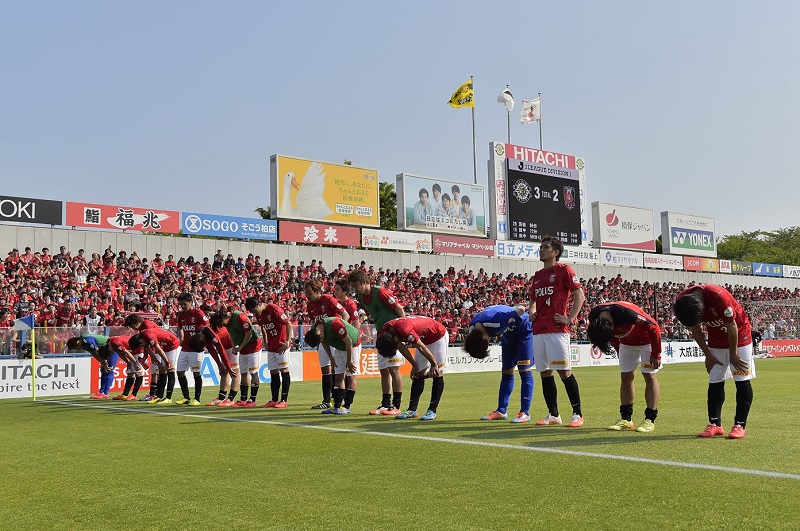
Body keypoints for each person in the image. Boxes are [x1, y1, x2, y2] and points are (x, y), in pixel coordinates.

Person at [674, 284, 755, 439]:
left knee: (741, 379)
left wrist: (734, 355)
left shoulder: (718, 296)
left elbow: (732, 326)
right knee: (715, 380)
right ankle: (715, 424)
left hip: (740, 336)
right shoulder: (683, 303)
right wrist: (708, 355)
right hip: (716, 340)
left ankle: (740, 425)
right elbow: (695, 329)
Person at [528, 235, 586, 427]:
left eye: (545, 247)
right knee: (544, 372)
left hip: (557, 330)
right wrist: (532, 312)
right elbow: (533, 300)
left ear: (556, 252)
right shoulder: (537, 275)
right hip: (538, 331)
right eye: (541, 247)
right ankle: (554, 415)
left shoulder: (564, 270)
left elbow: (579, 294)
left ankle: (577, 414)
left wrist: (570, 318)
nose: (541, 250)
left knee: (564, 371)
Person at [587, 301, 661, 433]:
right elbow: (612, 338)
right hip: (627, 345)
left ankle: (650, 420)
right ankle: (626, 420)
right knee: (626, 377)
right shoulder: (595, 317)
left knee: (649, 376)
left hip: (647, 342)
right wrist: (618, 350)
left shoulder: (627, 313)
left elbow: (654, 326)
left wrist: (656, 354)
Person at [348, 270, 405, 416]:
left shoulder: (381, 293)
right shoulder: (361, 297)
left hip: (393, 333)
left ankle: (396, 406)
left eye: (355, 286)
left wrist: (402, 330)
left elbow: (399, 309)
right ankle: (386, 404)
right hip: (381, 334)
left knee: (394, 369)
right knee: (384, 370)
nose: (354, 290)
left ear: (364, 283)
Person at [464, 305, 534, 424]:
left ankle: (525, 413)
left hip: (523, 331)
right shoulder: (473, 329)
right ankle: (501, 411)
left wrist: (526, 307)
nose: (489, 341)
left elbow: (520, 309)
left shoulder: (497, 320)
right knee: (506, 371)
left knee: (524, 370)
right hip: (508, 335)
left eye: (487, 342)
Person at [376, 316, 447, 421]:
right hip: (423, 339)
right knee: (418, 373)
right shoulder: (387, 330)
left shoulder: (405, 330)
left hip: (438, 336)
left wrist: (434, 364)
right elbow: (401, 347)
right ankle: (412, 409)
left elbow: (421, 347)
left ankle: (432, 410)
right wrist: (414, 364)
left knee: (437, 372)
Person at [304, 279, 349, 410]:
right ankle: (326, 400)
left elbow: (345, 315)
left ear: (317, 291)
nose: (307, 295)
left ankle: (340, 397)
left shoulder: (329, 299)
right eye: (306, 293)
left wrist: (340, 332)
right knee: (325, 369)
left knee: (338, 368)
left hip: (335, 339)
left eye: (309, 292)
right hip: (323, 341)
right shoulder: (310, 305)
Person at [304, 317, 361, 415]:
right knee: (338, 376)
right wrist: (331, 358)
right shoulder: (315, 329)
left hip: (353, 345)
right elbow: (324, 342)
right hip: (339, 346)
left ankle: (347, 407)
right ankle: (337, 407)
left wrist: (349, 360)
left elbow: (349, 342)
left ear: (321, 334)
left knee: (351, 376)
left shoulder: (335, 325)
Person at [245, 297, 293, 408]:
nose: (253, 313)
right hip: (271, 346)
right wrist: (265, 342)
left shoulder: (274, 309)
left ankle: (284, 400)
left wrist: (287, 341)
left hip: (282, 345)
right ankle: (274, 399)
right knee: (273, 372)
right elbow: (263, 328)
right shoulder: (259, 315)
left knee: (284, 370)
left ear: (258, 305)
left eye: (253, 310)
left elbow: (288, 324)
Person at [219, 309, 263, 407]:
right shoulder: (227, 323)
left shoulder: (240, 317)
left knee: (253, 373)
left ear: (226, 317)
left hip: (253, 347)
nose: (223, 326)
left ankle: (252, 399)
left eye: (223, 323)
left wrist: (240, 347)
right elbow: (231, 335)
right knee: (243, 373)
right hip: (243, 349)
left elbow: (249, 334)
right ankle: (243, 398)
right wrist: (234, 346)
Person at [130, 326, 181, 405]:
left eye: (141, 345)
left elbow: (159, 350)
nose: (142, 347)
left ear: (140, 340)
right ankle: (159, 396)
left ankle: (168, 398)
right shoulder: (144, 338)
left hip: (172, 344)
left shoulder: (149, 336)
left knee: (170, 369)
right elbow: (150, 352)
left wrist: (167, 362)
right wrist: (158, 363)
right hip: (165, 346)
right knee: (162, 370)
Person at [174, 293, 209, 406]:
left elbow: (206, 326)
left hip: (196, 348)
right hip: (185, 348)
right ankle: (186, 397)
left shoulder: (198, 313)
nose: (183, 306)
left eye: (184, 304)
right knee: (179, 372)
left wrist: (200, 337)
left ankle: (197, 399)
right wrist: (182, 338)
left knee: (196, 373)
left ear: (191, 302)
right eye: (181, 304)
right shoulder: (181, 315)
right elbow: (180, 328)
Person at [66, 334, 113, 399]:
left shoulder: (87, 341)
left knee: (109, 369)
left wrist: (104, 361)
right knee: (104, 370)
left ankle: (105, 392)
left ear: (78, 343)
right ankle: (101, 392)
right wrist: (101, 362)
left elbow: (97, 351)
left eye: (76, 347)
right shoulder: (84, 345)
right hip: (105, 351)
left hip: (112, 348)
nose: (77, 349)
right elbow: (93, 353)